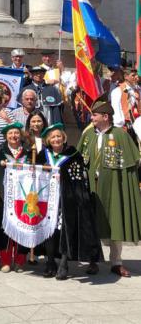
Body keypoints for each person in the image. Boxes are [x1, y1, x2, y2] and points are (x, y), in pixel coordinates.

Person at [77, 98, 141, 277]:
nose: (91, 118)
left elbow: (131, 163)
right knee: (92, 223)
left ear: (106, 116)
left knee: (115, 222)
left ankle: (116, 262)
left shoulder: (120, 135)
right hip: (92, 187)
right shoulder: (88, 134)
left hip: (113, 187)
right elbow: (79, 158)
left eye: (94, 115)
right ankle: (93, 260)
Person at [40, 123, 101, 280]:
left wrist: (62, 174)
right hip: (47, 199)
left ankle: (64, 263)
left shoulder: (73, 154)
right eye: (53, 137)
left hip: (67, 200)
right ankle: (50, 261)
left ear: (64, 137)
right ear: (48, 140)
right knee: (49, 231)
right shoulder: (42, 155)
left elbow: (78, 176)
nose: (56, 139)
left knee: (66, 231)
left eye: (58, 136)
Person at [0, 122, 37, 273]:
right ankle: (5, 260)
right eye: (10, 134)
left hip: (24, 197)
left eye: (16, 133)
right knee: (4, 229)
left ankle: (19, 260)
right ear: (6, 136)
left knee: (22, 227)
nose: (14, 136)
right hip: (5, 196)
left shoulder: (29, 153)